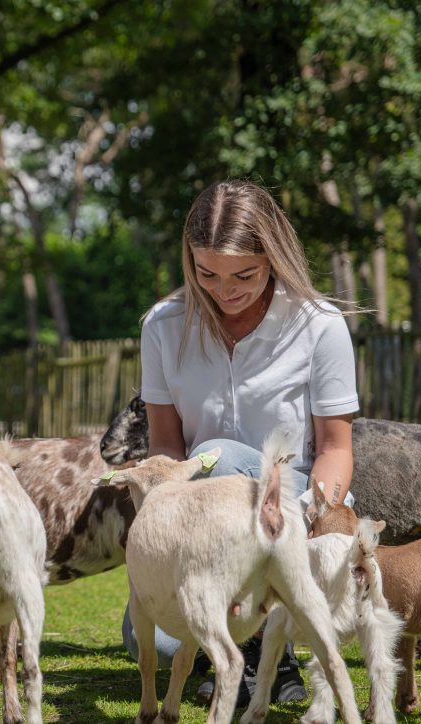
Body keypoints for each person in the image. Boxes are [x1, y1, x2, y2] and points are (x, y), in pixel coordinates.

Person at [121, 179, 359, 707]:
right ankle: (250, 638)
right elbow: (166, 448)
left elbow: (335, 449)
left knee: (221, 456)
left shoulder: (320, 326)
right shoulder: (162, 326)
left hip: (294, 502)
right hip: (204, 517)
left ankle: (257, 656)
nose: (224, 291)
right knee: (151, 639)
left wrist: (306, 523)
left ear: (273, 257)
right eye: (207, 274)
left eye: (243, 275)